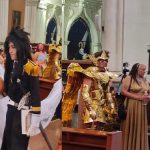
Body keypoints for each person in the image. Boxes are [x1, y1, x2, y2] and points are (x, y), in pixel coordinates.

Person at [1, 27, 41, 150]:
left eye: (13, 47)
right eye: (9, 47)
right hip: (10, 111)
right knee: (7, 145)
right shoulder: (11, 65)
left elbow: (35, 94)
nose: (10, 50)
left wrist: (35, 119)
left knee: (17, 146)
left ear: (20, 46)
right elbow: (7, 90)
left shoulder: (31, 67)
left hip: (22, 114)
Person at [62, 50, 118, 130]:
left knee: (102, 130)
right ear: (96, 60)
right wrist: (91, 109)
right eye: (101, 60)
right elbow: (85, 93)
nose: (104, 62)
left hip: (104, 106)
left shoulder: (108, 75)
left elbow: (109, 92)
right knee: (90, 130)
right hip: (93, 104)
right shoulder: (90, 73)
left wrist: (112, 107)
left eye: (106, 60)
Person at [121, 63, 150, 150]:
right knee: (131, 126)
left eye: (145, 69)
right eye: (143, 69)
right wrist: (138, 97)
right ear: (137, 70)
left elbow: (148, 91)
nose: (144, 71)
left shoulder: (144, 80)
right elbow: (123, 91)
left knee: (140, 127)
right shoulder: (129, 78)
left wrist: (148, 97)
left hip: (142, 106)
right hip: (131, 105)